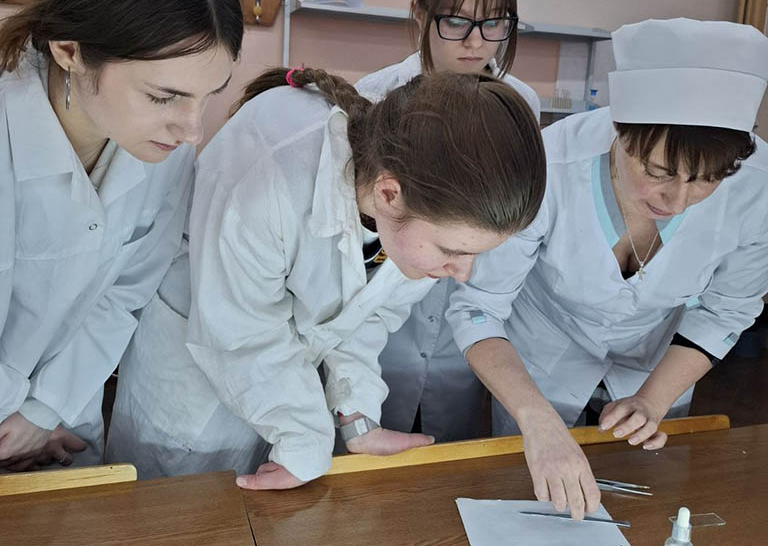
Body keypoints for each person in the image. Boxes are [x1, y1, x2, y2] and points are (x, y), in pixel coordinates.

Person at [106, 68, 546, 487]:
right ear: (389, 193)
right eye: (452, 251)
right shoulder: (272, 177)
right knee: (171, 518)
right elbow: (241, 334)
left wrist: (358, 415)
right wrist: (305, 440)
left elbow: (366, 313)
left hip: (276, 383)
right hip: (193, 389)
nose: (463, 273)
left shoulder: (411, 200)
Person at [447, 17, 768, 519]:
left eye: (705, 180)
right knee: (529, 498)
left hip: (659, 360)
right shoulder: (550, 165)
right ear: (621, 131)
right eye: (657, 172)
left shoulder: (757, 187)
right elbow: (478, 307)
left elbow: (726, 311)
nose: (677, 200)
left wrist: (653, 400)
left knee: (646, 507)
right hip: (541, 357)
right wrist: (535, 418)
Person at [0, 0, 242, 470]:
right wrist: (13, 421)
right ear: (70, 51)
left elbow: (127, 291)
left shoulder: (164, 148)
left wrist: (43, 411)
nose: (193, 130)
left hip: (62, 420)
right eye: (164, 96)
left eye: (207, 95)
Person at [355, 0, 540, 441]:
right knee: (365, 453)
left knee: (449, 460)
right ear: (420, 12)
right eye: (456, 21)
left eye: (494, 22)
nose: (476, 42)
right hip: (379, 330)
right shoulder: (374, 99)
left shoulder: (520, 106)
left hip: (468, 328)